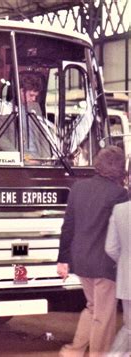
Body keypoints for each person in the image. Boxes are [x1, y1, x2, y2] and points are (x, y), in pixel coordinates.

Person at [57, 145, 129, 357]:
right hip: (105, 264)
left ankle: (73, 351)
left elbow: (67, 226)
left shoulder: (79, 188)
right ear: (120, 169)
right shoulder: (119, 194)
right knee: (103, 317)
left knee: (92, 308)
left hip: (80, 261)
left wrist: (63, 259)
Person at [105, 199, 131, 356]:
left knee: (129, 328)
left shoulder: (119, 210)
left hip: (128, 279)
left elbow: (111, 247)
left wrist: (124, 263)